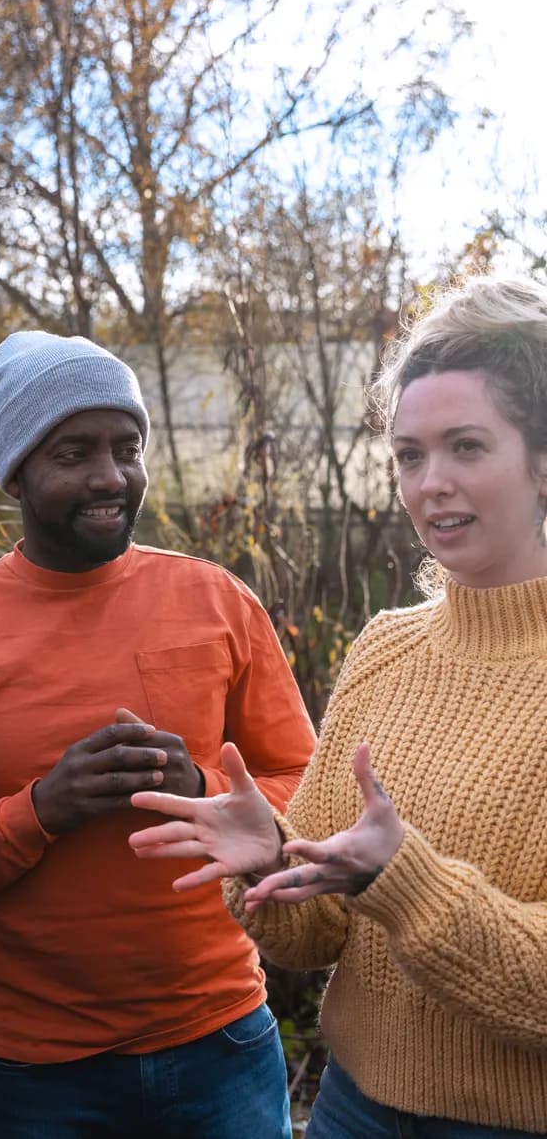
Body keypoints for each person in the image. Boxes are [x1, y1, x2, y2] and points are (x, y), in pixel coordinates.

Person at [0, 330, 316, 1137]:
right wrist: (39, 811)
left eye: (126, 448)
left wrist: (205, 794)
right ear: (20, 472)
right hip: (43, 1076)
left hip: (225, 1044)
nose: (110, 477)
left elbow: (313, 795)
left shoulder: (217, 602)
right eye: (74, 452)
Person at [130, 275, 547, 1137]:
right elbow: (314, 938)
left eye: (466, 446)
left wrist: (402, 881)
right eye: (408, 454)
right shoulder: (386, 649)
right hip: (352, 1111)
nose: (430, 483)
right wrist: (270, 863)